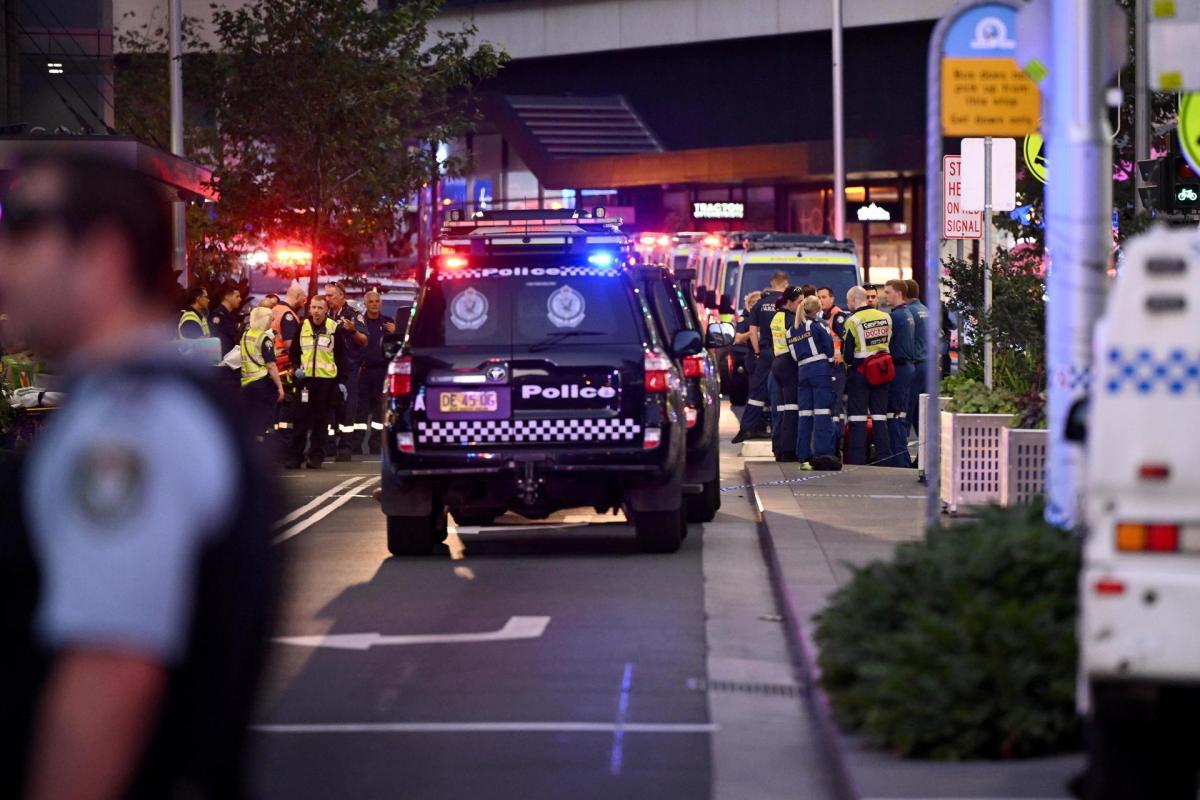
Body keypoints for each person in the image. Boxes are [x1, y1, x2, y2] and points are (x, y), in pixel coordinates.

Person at [0, 153, 278, 800]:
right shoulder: (134, 407)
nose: (4, 263)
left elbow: (110, 677)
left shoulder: (129, 429)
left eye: (24, 229)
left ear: (102, 255)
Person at [287, 296, 347, 469]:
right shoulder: (302, 327)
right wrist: (296, 367)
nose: (316, 311)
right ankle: (295, 457)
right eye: (313, 307)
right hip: (305, 381)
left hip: (326, 383)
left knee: (321, 422)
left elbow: (341, 357)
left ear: (326, 310)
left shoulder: (333, 328)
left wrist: (342, 382)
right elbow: (294, 352)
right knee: (299, 420)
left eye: (320, 308)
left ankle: (316, 457)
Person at [732, 272, 788, 444]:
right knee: (783, 392)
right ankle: (782, 430)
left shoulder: (760, 304)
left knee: (756, 393)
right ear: (785, 284)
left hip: (764, 352)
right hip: (783, 353)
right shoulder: (787, 303)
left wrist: (757, 351)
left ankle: (746, 428)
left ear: (771, 283)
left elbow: (753, 330)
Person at [843, 285, 894, 465]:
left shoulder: (853, 320)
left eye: (848, 301)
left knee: (858, 417)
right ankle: (884, 457)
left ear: (853, 300)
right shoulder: (886, 317)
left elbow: (847, 353)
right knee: (880, 417)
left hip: (861, 372)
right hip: (883, 370)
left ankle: (857, 459)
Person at [789, 295, 839, 468]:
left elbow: (794, 355)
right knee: (822, 413)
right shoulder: (819, 325)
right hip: (820, 370)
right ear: (818, 309)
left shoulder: (792, 329)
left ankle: (803, 455)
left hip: (802, 371)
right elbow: (829, 347)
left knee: (805, 414)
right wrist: (831, 363)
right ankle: (822, 453)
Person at [324, 282, 367, 461]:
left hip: (348, 369)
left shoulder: (353, 315)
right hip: (327, 369)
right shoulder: (325, 315)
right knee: (329, 408)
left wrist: (353, 330)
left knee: (347, 408)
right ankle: (328, 446)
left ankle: (345, 447)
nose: (327, 299)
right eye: (325, 296)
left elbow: (364, 340)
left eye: (330, 295)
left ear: (341, 296)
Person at [354, 290, 395, 455]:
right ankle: (356, 444)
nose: (374, 304)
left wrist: (396, 332)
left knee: (379, 410)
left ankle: (375, 444)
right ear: (365, 304)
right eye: (370, 302)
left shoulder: (388, 323)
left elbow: (398, 347)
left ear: (380, 303)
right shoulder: (359, 322)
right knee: (360, 410)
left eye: (376, 301)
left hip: (381, 372)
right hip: (363, 372)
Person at [768, 286, 804, 461]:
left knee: (782, 408)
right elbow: (797, 343)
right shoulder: (790, 319)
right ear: (790, 302)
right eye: (799, 302)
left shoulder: (777, 316)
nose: (801, 305)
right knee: (791, 408)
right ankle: (789, 451)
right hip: (789, 363)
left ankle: (780, 448)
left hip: (777, 362)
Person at [241, 306, 285, 441]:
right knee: (263, 421)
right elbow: (271, 365)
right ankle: (262, 450)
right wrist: (280, 387)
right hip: (261, 384)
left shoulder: (246, 334)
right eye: (270, 319)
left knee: (250, 420)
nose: (271, 322)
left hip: (246, 383)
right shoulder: (264, 338)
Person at [884, 279, 915, 467]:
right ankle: (900, 457)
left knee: (894, 414)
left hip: (900, 367)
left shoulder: (895, 317)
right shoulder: (907, 313)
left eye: (888, 292)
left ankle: (898, 458)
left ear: (898, 293)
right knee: (901, 413)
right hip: (908, 367)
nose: (884, 295)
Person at [816, 285, 849, 448]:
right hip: (828, 365)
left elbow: (846, 339)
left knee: (836, 404)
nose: (821, 300)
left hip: (837, 366)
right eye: (819, 297)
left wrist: (841, 355)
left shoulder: (838, 316)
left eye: (824, 297)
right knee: (831, 404)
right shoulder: (824, 316)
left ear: (832, 298)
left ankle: (839, 440)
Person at [904, 279, 930, 435]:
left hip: (915, 365)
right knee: (921, 414)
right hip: (928, 366)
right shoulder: (926, 310)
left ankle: (902, 456)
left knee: (907, 410)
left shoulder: (909, 313)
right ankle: (922, 457)